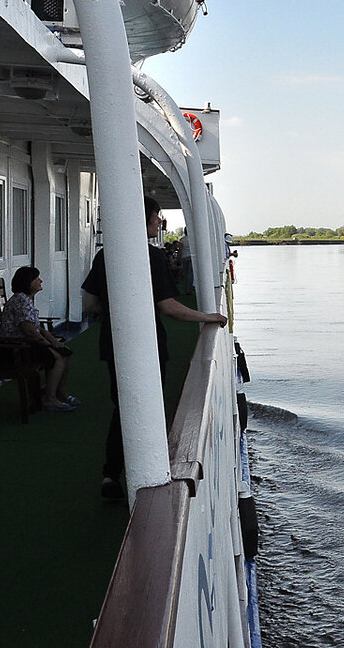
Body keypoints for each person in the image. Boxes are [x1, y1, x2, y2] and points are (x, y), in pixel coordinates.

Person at [82, 196, 226, 500]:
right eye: (157, 216)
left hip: (112, 340)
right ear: (145, 217)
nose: (160, 222)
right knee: (146, 408)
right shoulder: (152, 256)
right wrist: (207, 317)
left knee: (122, 407)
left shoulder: (105, 255)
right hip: (146, 344)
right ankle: (147, 471)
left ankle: (111, 474)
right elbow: (169, 307)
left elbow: (90, 303)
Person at [0, 265, 76, 411]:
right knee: (57, 358)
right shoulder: (21, 301)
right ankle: (50, 399)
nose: (41, 281)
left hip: (25, 345)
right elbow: (29, 331)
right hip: (16, 348)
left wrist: (52, 340)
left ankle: (59, 392)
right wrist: (48, 345)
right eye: (36, 278)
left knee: (65, 353)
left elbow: (36, 327)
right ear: (28, 282)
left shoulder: (25, 299)